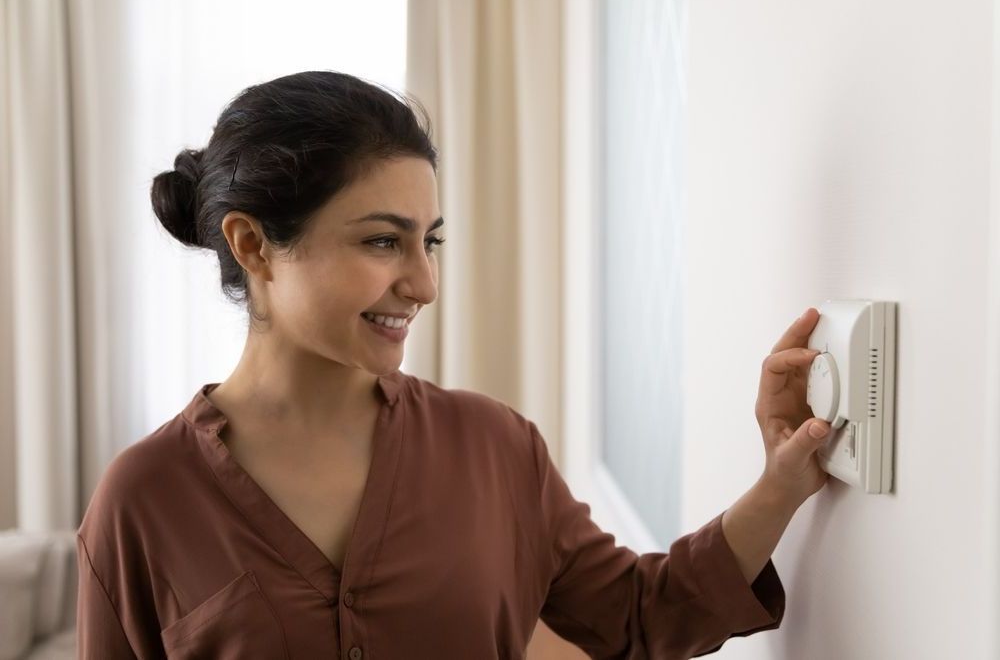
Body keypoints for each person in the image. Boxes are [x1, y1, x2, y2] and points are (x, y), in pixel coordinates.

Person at [76, 70, 832, 659]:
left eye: (429, 241)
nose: (424, 283)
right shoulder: (142, 502)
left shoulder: (494, 448)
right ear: (252, 244)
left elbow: (638, 615)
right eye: (382, 241)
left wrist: (780, 481)